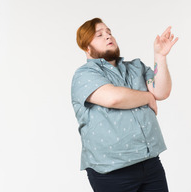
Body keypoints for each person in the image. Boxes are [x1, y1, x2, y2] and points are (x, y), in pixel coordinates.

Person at [71, 18, 178, 192]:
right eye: (99, 35)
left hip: (150, 163)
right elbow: (114, 98)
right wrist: (147, 98)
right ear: (86, 47)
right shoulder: (84, 75)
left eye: (109, 32)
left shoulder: (136, 67)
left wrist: (160, 56)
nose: (107, 36)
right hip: (112, 170)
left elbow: (161, 92)